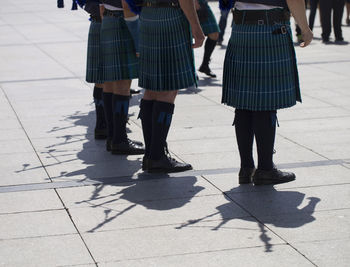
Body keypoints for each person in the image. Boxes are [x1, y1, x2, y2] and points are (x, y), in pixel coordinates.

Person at [221, 0, 313, 185]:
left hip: (241, 28)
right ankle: (265, 169)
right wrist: (305, 28)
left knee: (244, 100)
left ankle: (246, 168)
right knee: (265, 99)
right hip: (269, 28)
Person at [131, 0, 205, 173]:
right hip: (169, 16)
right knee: (168, 88)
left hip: (147, 15)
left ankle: (151, 154)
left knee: (152, 89)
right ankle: (157, 157)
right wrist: (196, 27)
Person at [100, 0, 144, 154]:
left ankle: (113, 138)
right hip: (122, 21)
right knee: (123, 83)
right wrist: (138, 41)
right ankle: (120, 140)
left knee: (110, 82)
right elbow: (127, 4)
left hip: (108, 18)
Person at [196, 0, 220, 78]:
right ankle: (190, 69)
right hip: (188, 3)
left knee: (214, 34)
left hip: (203, 3)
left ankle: (205, 65)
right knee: (187, 36)